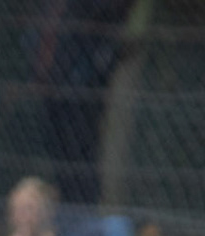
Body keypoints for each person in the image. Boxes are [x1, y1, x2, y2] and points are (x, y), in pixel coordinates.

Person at [28, 0, 133, 206]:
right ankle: (68, 203)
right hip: (51, 84)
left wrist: (90, 72)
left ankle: (83, 206)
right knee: (58, 151)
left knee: (80, 152)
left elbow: (105, 35)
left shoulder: (94, 11)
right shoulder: (52, 9)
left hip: (80, 89)